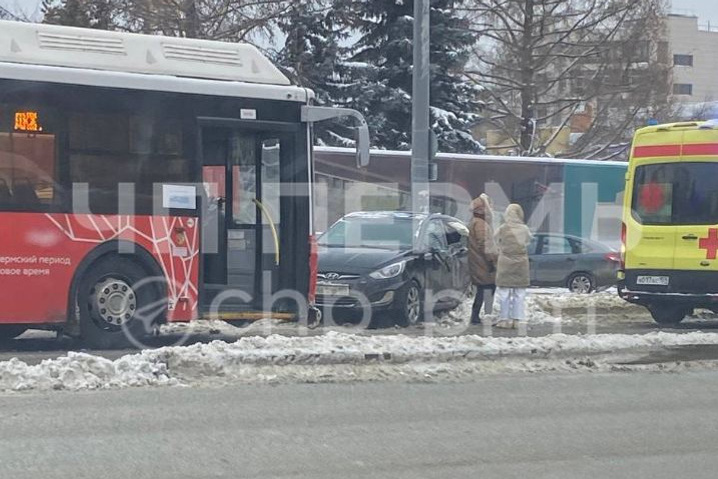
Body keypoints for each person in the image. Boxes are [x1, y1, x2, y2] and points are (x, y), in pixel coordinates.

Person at [494, 203, 532, 329]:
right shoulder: (524, 229)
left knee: (504, 292)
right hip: (521, 262)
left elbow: (494, 239)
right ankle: (518, 320)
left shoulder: (503, 228)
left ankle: (504, 320)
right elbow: (528, 241)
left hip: (505, 262)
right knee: (519, 292)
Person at [468, 194, 498, 325]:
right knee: (487, 288)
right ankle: (482, 315)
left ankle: (479, 315)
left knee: (483, 289)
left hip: (478, 261)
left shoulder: (475, 222)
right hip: (483, 263)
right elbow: (484, 244)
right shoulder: (480, 224)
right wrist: (492, 260)